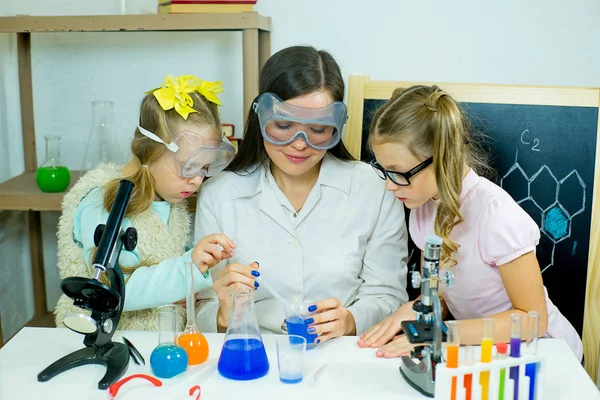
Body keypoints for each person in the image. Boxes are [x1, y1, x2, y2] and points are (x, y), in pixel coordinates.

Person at [194, 46, 409, 344]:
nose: (300, 143)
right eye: (283, 126)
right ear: (261, 117)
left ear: (336, 126)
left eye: (318, 129)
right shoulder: (219, 194)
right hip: (251, 351)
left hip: (343, 354)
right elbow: (199, 307)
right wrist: (222, 314)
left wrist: (349, 321)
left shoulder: (374, 188)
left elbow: (390, 296)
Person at [357, 84, 583, 360]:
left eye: (399, 173)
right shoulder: (422, 206)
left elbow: (531, 319)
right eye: (384, 171)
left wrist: (445, 334)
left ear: (441, 159)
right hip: (484, 350)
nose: (390, 187)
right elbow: (443, 291)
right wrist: (416, 311)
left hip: (546, 354)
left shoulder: (497, 215)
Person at [54, 74, 237, 331]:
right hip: (101, 339)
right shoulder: (103, 202)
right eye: (188, 167)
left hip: (157, 345)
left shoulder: (171, 204)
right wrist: (189, 268)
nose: (197, 180)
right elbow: (110, 288)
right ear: (150, 150)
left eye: (205, 168)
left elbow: (164, 280)